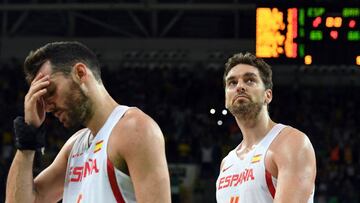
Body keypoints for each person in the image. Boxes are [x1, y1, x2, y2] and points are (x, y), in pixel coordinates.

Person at [6, 41, 171, 203]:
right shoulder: (74, 147)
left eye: (50, 92)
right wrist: (28, 137)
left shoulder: (135, 129)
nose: (47, 108)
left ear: (80, 73)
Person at [216, 52, 316, 203]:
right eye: (232, 83)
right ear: (226, 99)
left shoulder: (291, 143)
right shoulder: (227, 163)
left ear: (267, 95)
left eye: (249, 80)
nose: (240, 86)